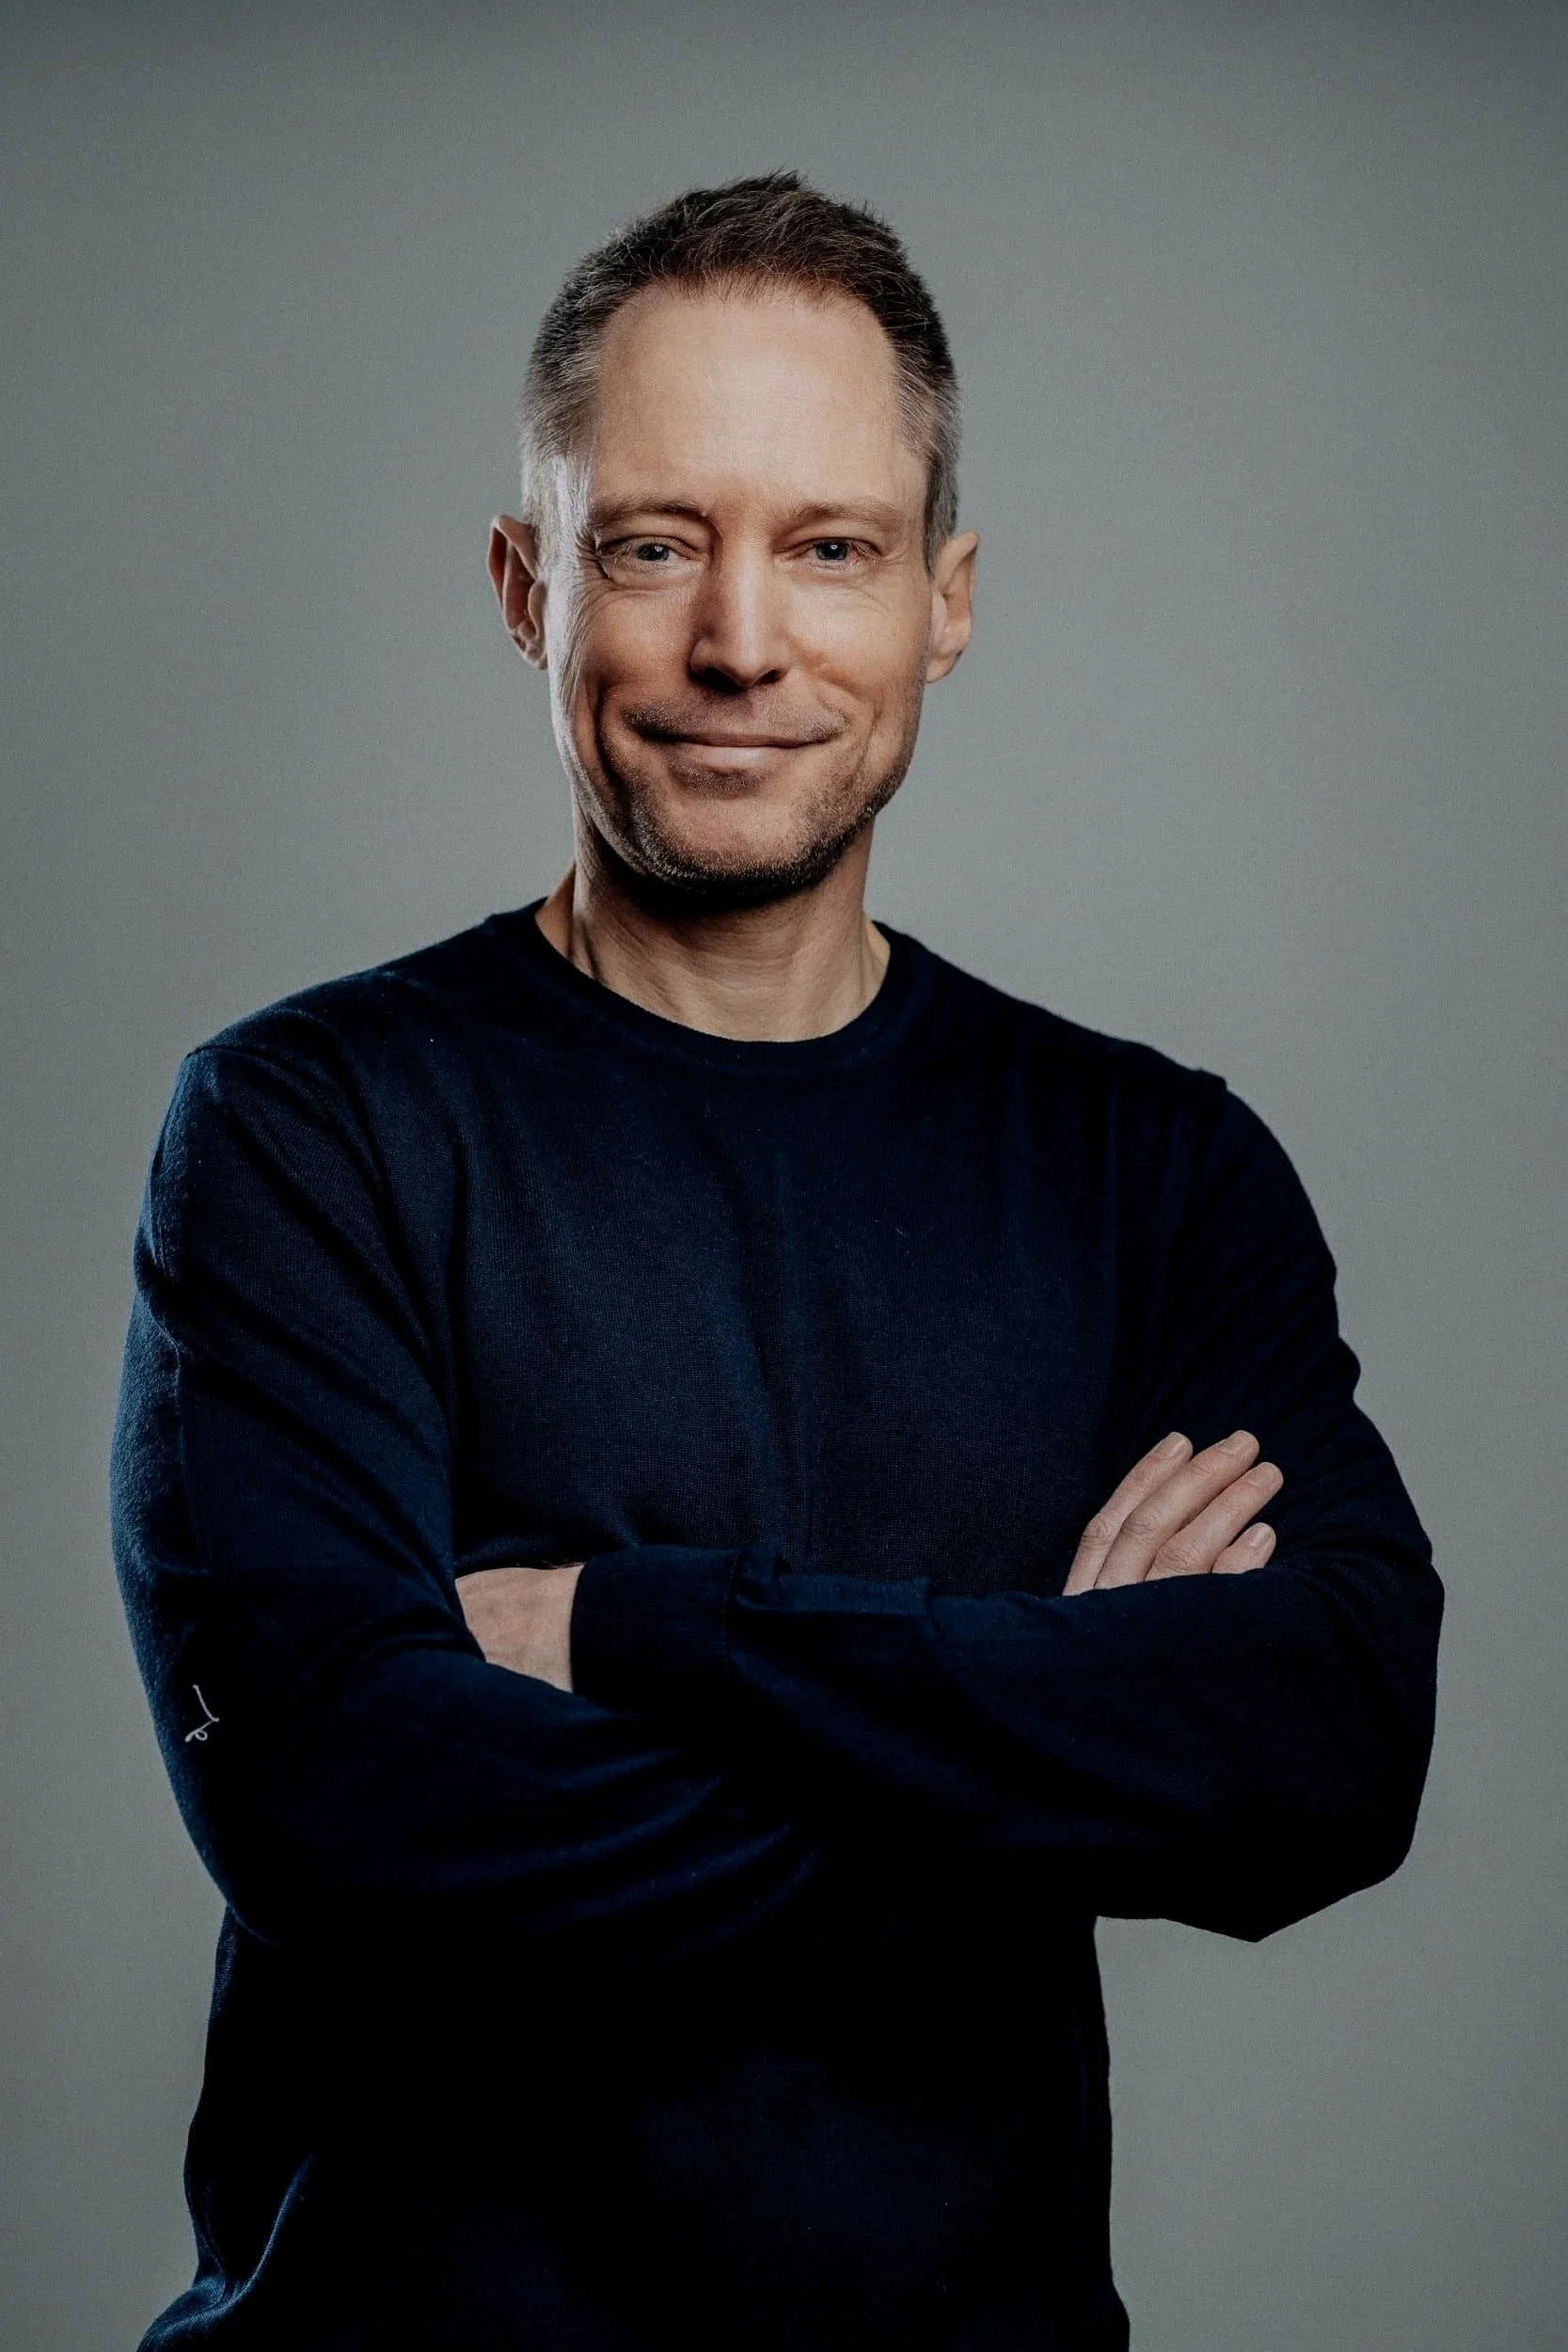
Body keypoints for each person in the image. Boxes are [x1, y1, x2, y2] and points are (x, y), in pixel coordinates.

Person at [111, 170, 1442, 2352]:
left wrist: (636, 1629)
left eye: (831, 546)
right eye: (653, 545)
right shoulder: (305, 1127)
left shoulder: (1149, 1164)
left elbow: (1330, 1750)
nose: (743, 639)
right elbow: (350, 1808)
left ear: (945, 598)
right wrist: (1035, 1714)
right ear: (527, 586)